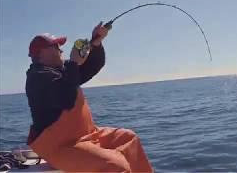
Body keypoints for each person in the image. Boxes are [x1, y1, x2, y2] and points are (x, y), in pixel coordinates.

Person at [25, 22, 153, 172]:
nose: (61, 49)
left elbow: (91, 67)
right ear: (42, 53)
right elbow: (66, 98)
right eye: (56, 46)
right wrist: (73, 63)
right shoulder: (37, 78)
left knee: (129, 138)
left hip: (86, 136)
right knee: (115, 165)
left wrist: (96, 43)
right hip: (60, 147)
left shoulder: (62, 70)